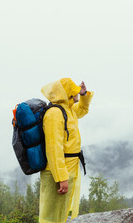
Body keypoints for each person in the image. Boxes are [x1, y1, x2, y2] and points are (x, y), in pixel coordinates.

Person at [39, 78, 94, 223]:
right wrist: (61, 177)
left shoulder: (67, 110)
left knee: (61, 214)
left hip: (68, 169)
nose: (76, 93)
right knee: (50, 216)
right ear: (68, 94)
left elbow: (82, 109)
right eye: (74, 91)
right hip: (56, 173)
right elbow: (53, 148)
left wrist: (83, 95)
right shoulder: (54, 114)